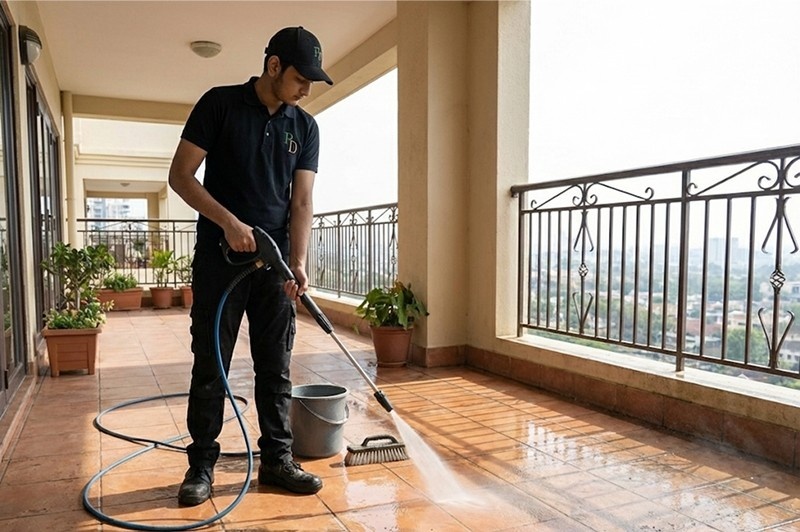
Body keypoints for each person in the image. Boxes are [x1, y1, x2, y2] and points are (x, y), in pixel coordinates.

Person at [168, 26, 334, 507]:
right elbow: (180, 175)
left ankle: (278, 460)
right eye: (301, 78)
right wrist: (228, 222)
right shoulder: (218, 105)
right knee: (211, 365)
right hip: (220, 261)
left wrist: (297, 263)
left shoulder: (304, 128)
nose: (306, 90)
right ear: (275, 66)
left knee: (276, 365)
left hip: (275, 262)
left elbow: (301, 201)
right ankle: (201, 465)